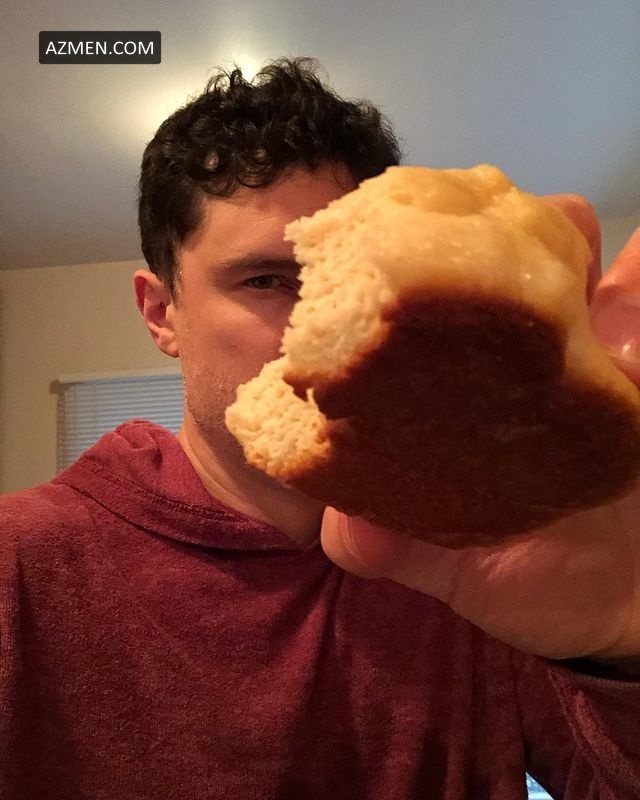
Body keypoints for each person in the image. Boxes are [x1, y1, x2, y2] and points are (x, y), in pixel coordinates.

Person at [1, 58, 639, 800]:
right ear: (161, 311)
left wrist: (625, 644)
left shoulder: (484, 547)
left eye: (345, 278)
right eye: (265, 281)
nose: (321, 330)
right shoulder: (21, 562)